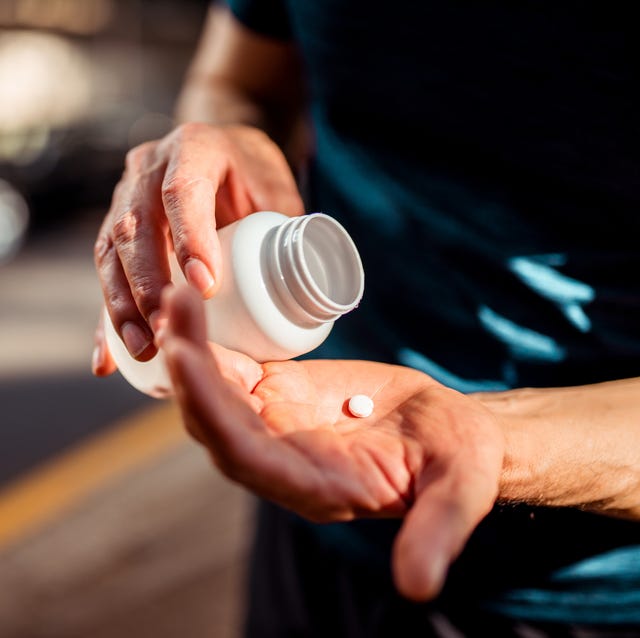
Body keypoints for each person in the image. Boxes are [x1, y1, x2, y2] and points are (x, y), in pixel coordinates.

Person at [92, 2, 640, 635]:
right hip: (316, 485)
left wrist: (500, 438)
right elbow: (237, 78)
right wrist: (229, 135)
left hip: (589, 589)